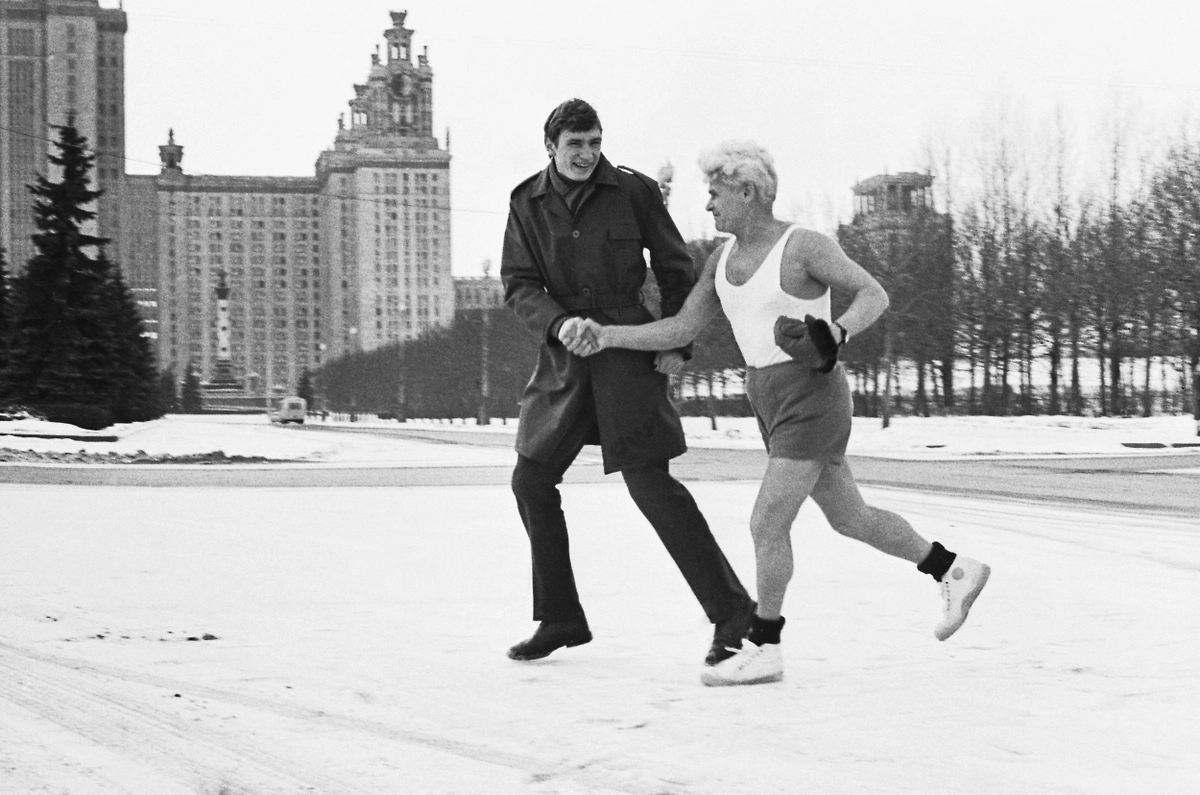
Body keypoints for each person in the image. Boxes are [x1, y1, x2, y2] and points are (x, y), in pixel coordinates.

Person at [565, 140, 991, 686]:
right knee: (849, 518)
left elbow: (873, 294)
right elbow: (681, 329)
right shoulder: (721, 261)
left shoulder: (802, 246)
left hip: (813, 396)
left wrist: (836, 331)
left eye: (716, 194)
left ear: (748, 192)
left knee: (767, 521)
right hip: (766, 397)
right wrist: (606, 337)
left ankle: (764, 645)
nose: (710, 205)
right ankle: (953, 569)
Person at [500, 99, 756, 666]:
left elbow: (675, 267)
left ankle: (732, 613)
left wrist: (675, 343)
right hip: (566, 361)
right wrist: (559, 323)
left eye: (594, 142)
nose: (588, 154)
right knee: (531, 480)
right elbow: (518, 284)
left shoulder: (633, 191)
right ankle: (560, 616)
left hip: (627, 356)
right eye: (576, 145)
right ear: (551, 147)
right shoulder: (526, 202)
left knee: (651, 487)